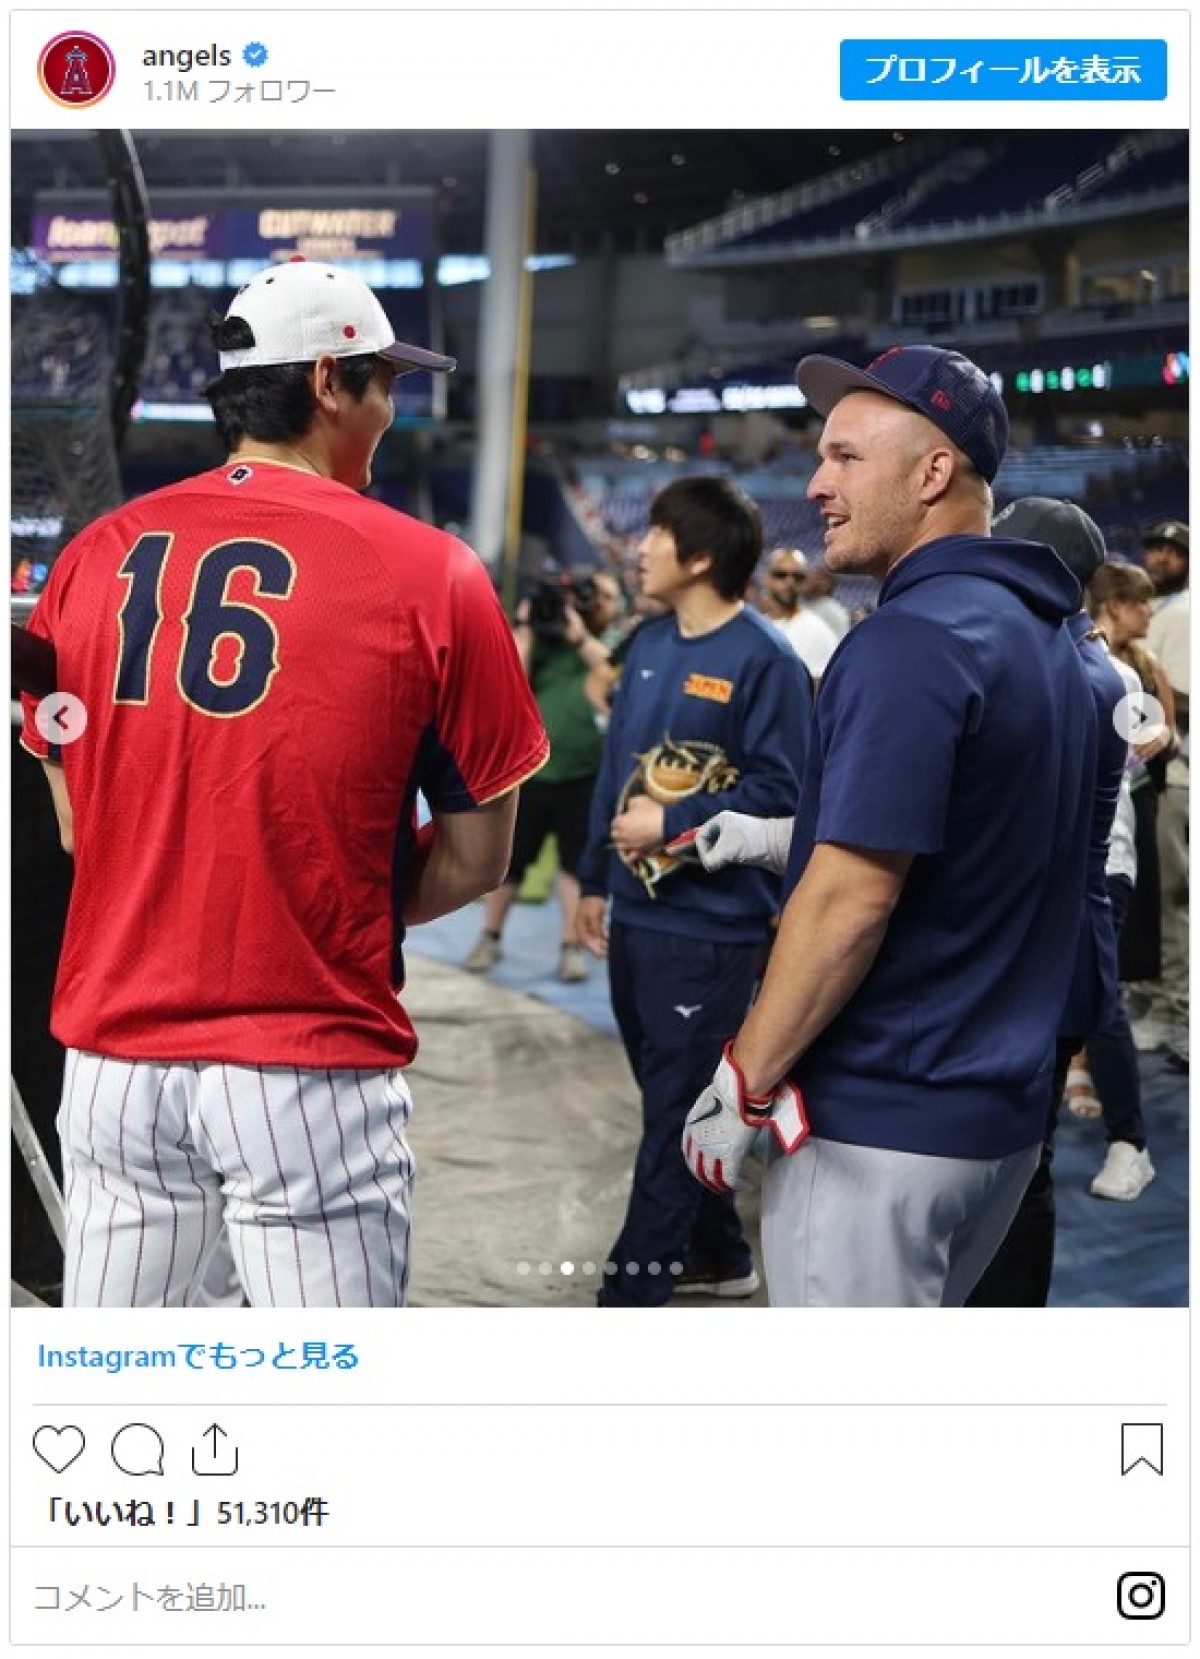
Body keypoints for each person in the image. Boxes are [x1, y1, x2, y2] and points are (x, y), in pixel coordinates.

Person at [19, 258, 548, 1308]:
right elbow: (481, 858)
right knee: (320, 1413)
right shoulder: (429, 568)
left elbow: (83, 831)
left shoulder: (94, 555)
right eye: (382, 383)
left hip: (115, 1062)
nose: (391, 411)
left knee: (129, 1412)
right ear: (323, 381)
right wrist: (317, 900)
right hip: (306, 1056)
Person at [680, 345, 1095, 1307]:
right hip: (996, 1116)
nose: (817, 484)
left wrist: (744, 1076)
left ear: (934, 471)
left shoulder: (913, 638)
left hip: (884, 1116)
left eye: (845, 457)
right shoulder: (1049, 640)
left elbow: (852, 897)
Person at [576, 476, 812, 1306]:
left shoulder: (766, 663)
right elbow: (615, 772)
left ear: (701, 555)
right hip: (636, 917)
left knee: (673, 1117)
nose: (640, 547)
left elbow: (786, 796)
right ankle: (718, 1253)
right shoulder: (647, 642)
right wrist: (595, 879)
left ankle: (628, 1297)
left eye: (658, 534)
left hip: (711, 931)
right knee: (666, 1096)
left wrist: (674, 819)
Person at [465, 568, 617, 983]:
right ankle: (490, 937)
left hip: (583, 774)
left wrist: (579, 637)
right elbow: (506, 677)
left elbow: (614, 674)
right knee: (511, 864)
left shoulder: (606, 644)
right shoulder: (537, 644)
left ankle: (571, 948)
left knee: (573, 865)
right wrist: (529, 628)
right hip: (531, 773)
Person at [1140, 520, 1189, 1068]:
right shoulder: (1165, 611)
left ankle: (1180, 1013)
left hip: (1177, 776)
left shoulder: (1178, 614)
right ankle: (1159, 1003)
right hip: (1169, 776)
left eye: (1172, 551)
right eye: (1154, 548)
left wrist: (1144, 680)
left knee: (1173, 901)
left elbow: (1186, 704)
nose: (1159, 557)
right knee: (1162, 899)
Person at [757, 547, 839, 683]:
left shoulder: (816, 631)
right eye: (781, 575)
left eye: (798, 577)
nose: (790, 582)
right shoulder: (758, 625)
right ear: (766, 578)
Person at [803, 558, 852, 639]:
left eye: (815, 577)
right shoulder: (804, 605)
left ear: (825, 585)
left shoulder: (833, 611)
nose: (808, 579)